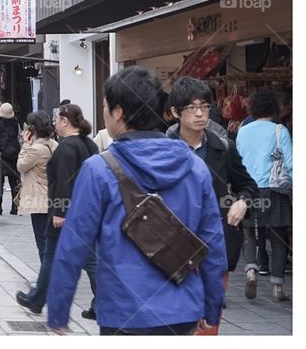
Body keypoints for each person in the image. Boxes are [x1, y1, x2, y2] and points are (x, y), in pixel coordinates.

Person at [47, 66, 227, 335]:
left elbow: (74, 244)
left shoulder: (98, 169)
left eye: (106, 105)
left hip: (124, 311)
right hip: (183, 309)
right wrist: (212, 309)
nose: (104, 111)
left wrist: (58, 311)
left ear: (118, 112)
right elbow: (213, 244)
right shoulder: (195, 167)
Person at [166, 77, 257, 325]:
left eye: (205, 106)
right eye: (192, 108)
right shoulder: (163, 149)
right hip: (171, 248)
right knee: (175, 322)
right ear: (176, 111)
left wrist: (242, 202)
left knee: (208, 323)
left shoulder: (224, 148)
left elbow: (248, 185)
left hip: (214, 244)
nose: (200, 114)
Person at [16, 102, 98, 318]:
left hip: (64, 211)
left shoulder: (66, 147)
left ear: (65, 121)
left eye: (57, 120)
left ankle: (37, 299)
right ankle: (100, 303)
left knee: (52, 255)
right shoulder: (89, 145)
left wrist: (60, 212)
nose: (54, 125)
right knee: (90, 259)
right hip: (86, 211)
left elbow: (63, 182)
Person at [236, 89, 293, 302]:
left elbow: (237, 160)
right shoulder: (280, 130)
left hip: (248, 189)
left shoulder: (243, 131)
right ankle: (278, 288)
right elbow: (291, 163)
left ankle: (251, 269)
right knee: (278, 239)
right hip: (275, 190)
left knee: (250, 234)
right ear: (274, 108)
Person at [17, 111, 59, 262]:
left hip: (38, 200)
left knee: (42, 241)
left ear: (33, 129)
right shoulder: (54, 144)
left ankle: (46, 279)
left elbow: (21, 166)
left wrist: (25, 145)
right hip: (52, 197)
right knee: (50, 241)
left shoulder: (36, 149)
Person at [0, 103, 21, 215]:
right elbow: (17, 137)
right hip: (13, 154)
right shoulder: (15, 123)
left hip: (1, 155)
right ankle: (15, 206)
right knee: (14, 182)